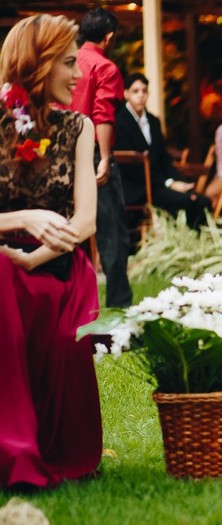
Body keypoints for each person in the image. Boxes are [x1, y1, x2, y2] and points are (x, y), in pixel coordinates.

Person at [0, 14, 103, 489]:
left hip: (56, 263)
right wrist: (21, 222)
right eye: (68, 63)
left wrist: (36, 255)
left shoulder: (78, 127)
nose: (79, 74)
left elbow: (85, 221)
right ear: (36, 65)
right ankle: (14, 449)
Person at [70, 7, 129, 308]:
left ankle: (72, 303)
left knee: (68, 229)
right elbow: (102, 115)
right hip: (92, 152)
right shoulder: (104, 67)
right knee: (112, 231)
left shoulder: (65, 63)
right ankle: (119, 307)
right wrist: (104, 158)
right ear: (109, 37)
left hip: (61, 153)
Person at [114, 72, 212, 229]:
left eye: (144, 91)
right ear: (126, 94)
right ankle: (177, 244)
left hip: (158, 182)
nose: (141, 96)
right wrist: (169, 183)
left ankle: (197, 245)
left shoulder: (153, 121)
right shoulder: (119, 121)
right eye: (135, 91)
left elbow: (163, 157)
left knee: (201, 200)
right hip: (138, 187)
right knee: (183, 201)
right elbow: (131, 166)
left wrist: (177, 180)